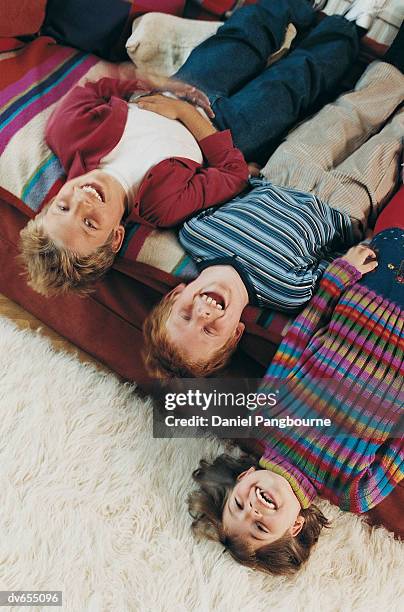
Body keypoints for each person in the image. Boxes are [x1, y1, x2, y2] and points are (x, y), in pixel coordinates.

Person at [19, 0, 374, 296]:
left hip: (185, 87)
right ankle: (346, 26)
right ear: (115, 237)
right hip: (226, 129)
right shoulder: (162, 207)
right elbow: (233, 176)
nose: (82, 201)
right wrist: (189, 117)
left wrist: (154, 85)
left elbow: (96, 89)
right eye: (89, 223)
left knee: (242, 35)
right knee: (294, 83)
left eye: (63, 206)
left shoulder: (71, 135)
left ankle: (297, 5)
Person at [142, 57, 404, 378]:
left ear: (175, 295)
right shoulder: (286, 293)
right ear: (237, 332)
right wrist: (350, 261)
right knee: (393, 141)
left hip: (285, 172)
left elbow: (227, 188)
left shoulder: (195, 233)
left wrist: (247, 178)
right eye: (210, 331)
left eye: (186, 316)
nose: (204, 312)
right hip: (342, 205)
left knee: (349, 112)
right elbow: (335, 263)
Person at [187, 204, 404, 574]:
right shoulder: (356, 492)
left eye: (238, 506)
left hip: (371, 287)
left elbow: (299, 336)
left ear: (241, 479)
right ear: (294, 527)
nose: (253, 509)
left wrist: (337, 280)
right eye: (260, 527)